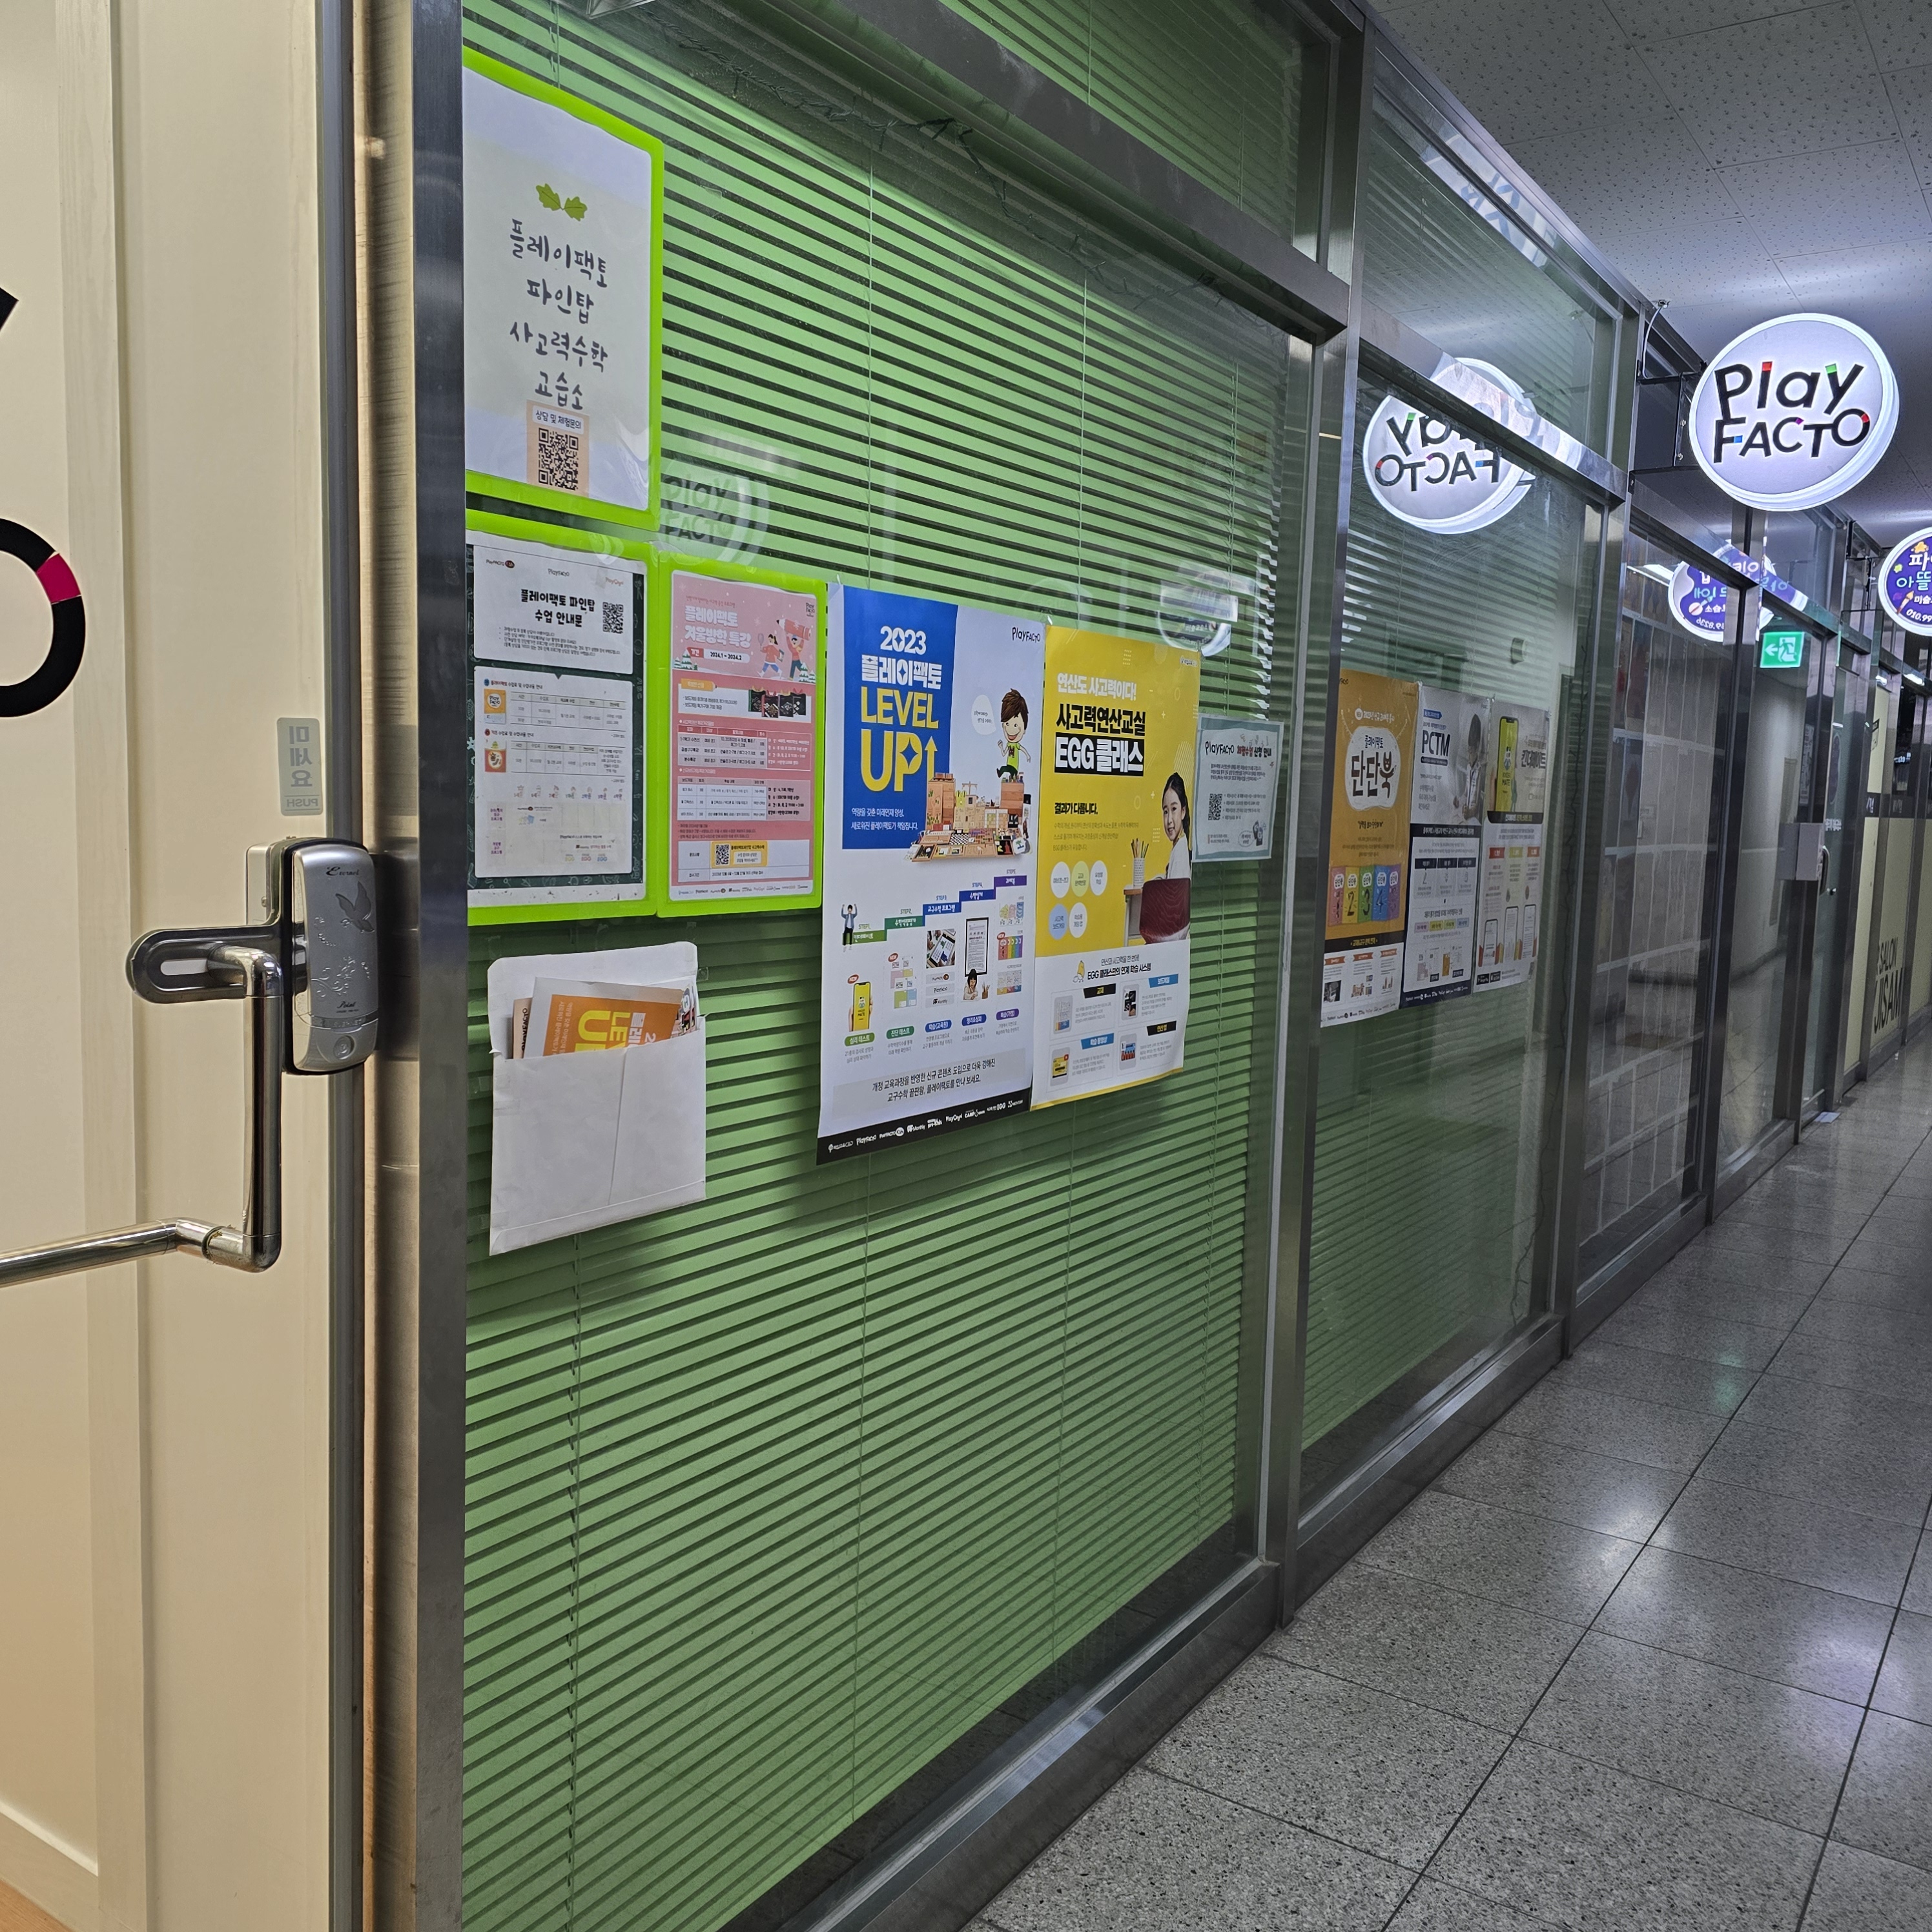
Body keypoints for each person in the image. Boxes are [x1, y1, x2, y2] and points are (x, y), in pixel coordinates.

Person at [1160, 772, 1192, 879]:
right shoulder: (1180, 844)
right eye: (1166, 812)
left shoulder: (1179, 853)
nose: (1169, 820)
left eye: (1174, 809)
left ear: (1183, 811)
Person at [996, 689, 1031, 782]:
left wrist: (1028, 755)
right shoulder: (1009, 744)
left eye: (1016, 725)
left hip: (1014, 767)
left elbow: (1023, 749)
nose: (1011, 730)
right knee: (1005, 770)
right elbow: (1004, 754)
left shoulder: (1016, 745)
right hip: (1009, 764)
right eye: (1007, 724)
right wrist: (1001, 747)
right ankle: (1001, 774)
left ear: (1024, 730)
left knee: (1013, 779)